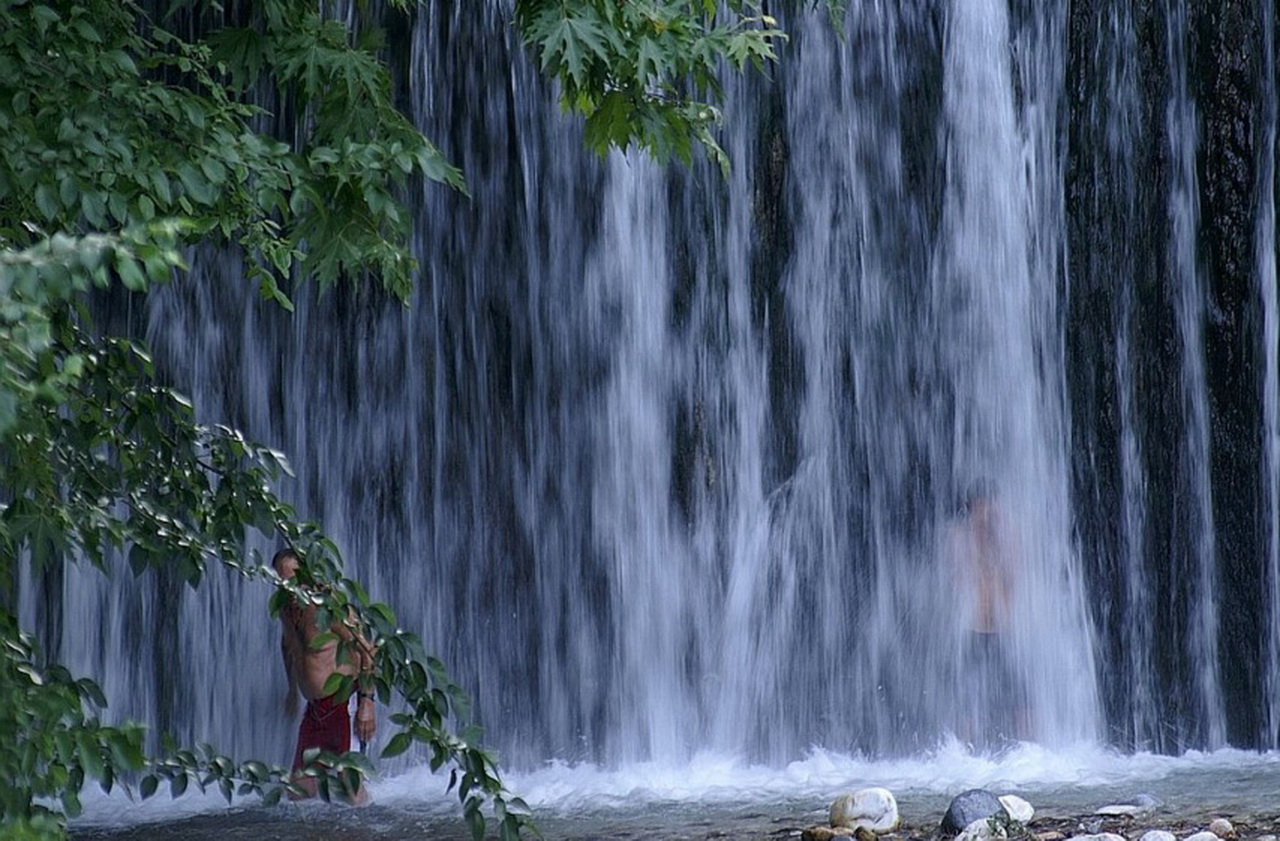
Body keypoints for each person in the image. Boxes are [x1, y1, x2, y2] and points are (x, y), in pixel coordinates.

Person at [273, 547, 377, 803]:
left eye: (293, 578)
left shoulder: (331, 609)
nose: (288, 585)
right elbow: (288, 647)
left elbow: (368, 651)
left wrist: (367, 703)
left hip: (343, 704)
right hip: (315, 710)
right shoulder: (287, 608)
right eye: (281, 580)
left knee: (351, 792)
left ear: (307, 575)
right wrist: (291, 691)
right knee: (298, 792)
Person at [943, 480, 1028, 749]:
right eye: (984, 506)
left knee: (1022, 700)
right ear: (973, 507)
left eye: (995, 505)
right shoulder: (958, 536)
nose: (990, 512)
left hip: (1006, 633)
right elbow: (958, 578)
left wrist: (999, 536)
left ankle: (1032, 754)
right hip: (973, 632)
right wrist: (977, 539)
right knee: (967, 701)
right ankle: (963, 755)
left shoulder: (1009, 534)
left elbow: (1015, 573)